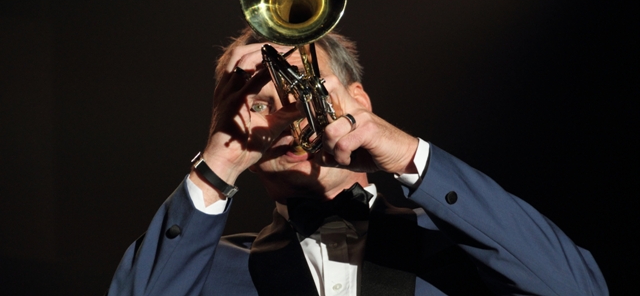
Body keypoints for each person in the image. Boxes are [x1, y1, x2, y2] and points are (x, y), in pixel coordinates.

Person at [108, 27, 608, 296]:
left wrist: (409, 154)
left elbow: (578, 290)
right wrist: (216, 167)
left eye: (304, 91)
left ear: (359, 100)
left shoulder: (461, 243)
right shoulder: (209, 267)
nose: (290, 118)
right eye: (259, 106)